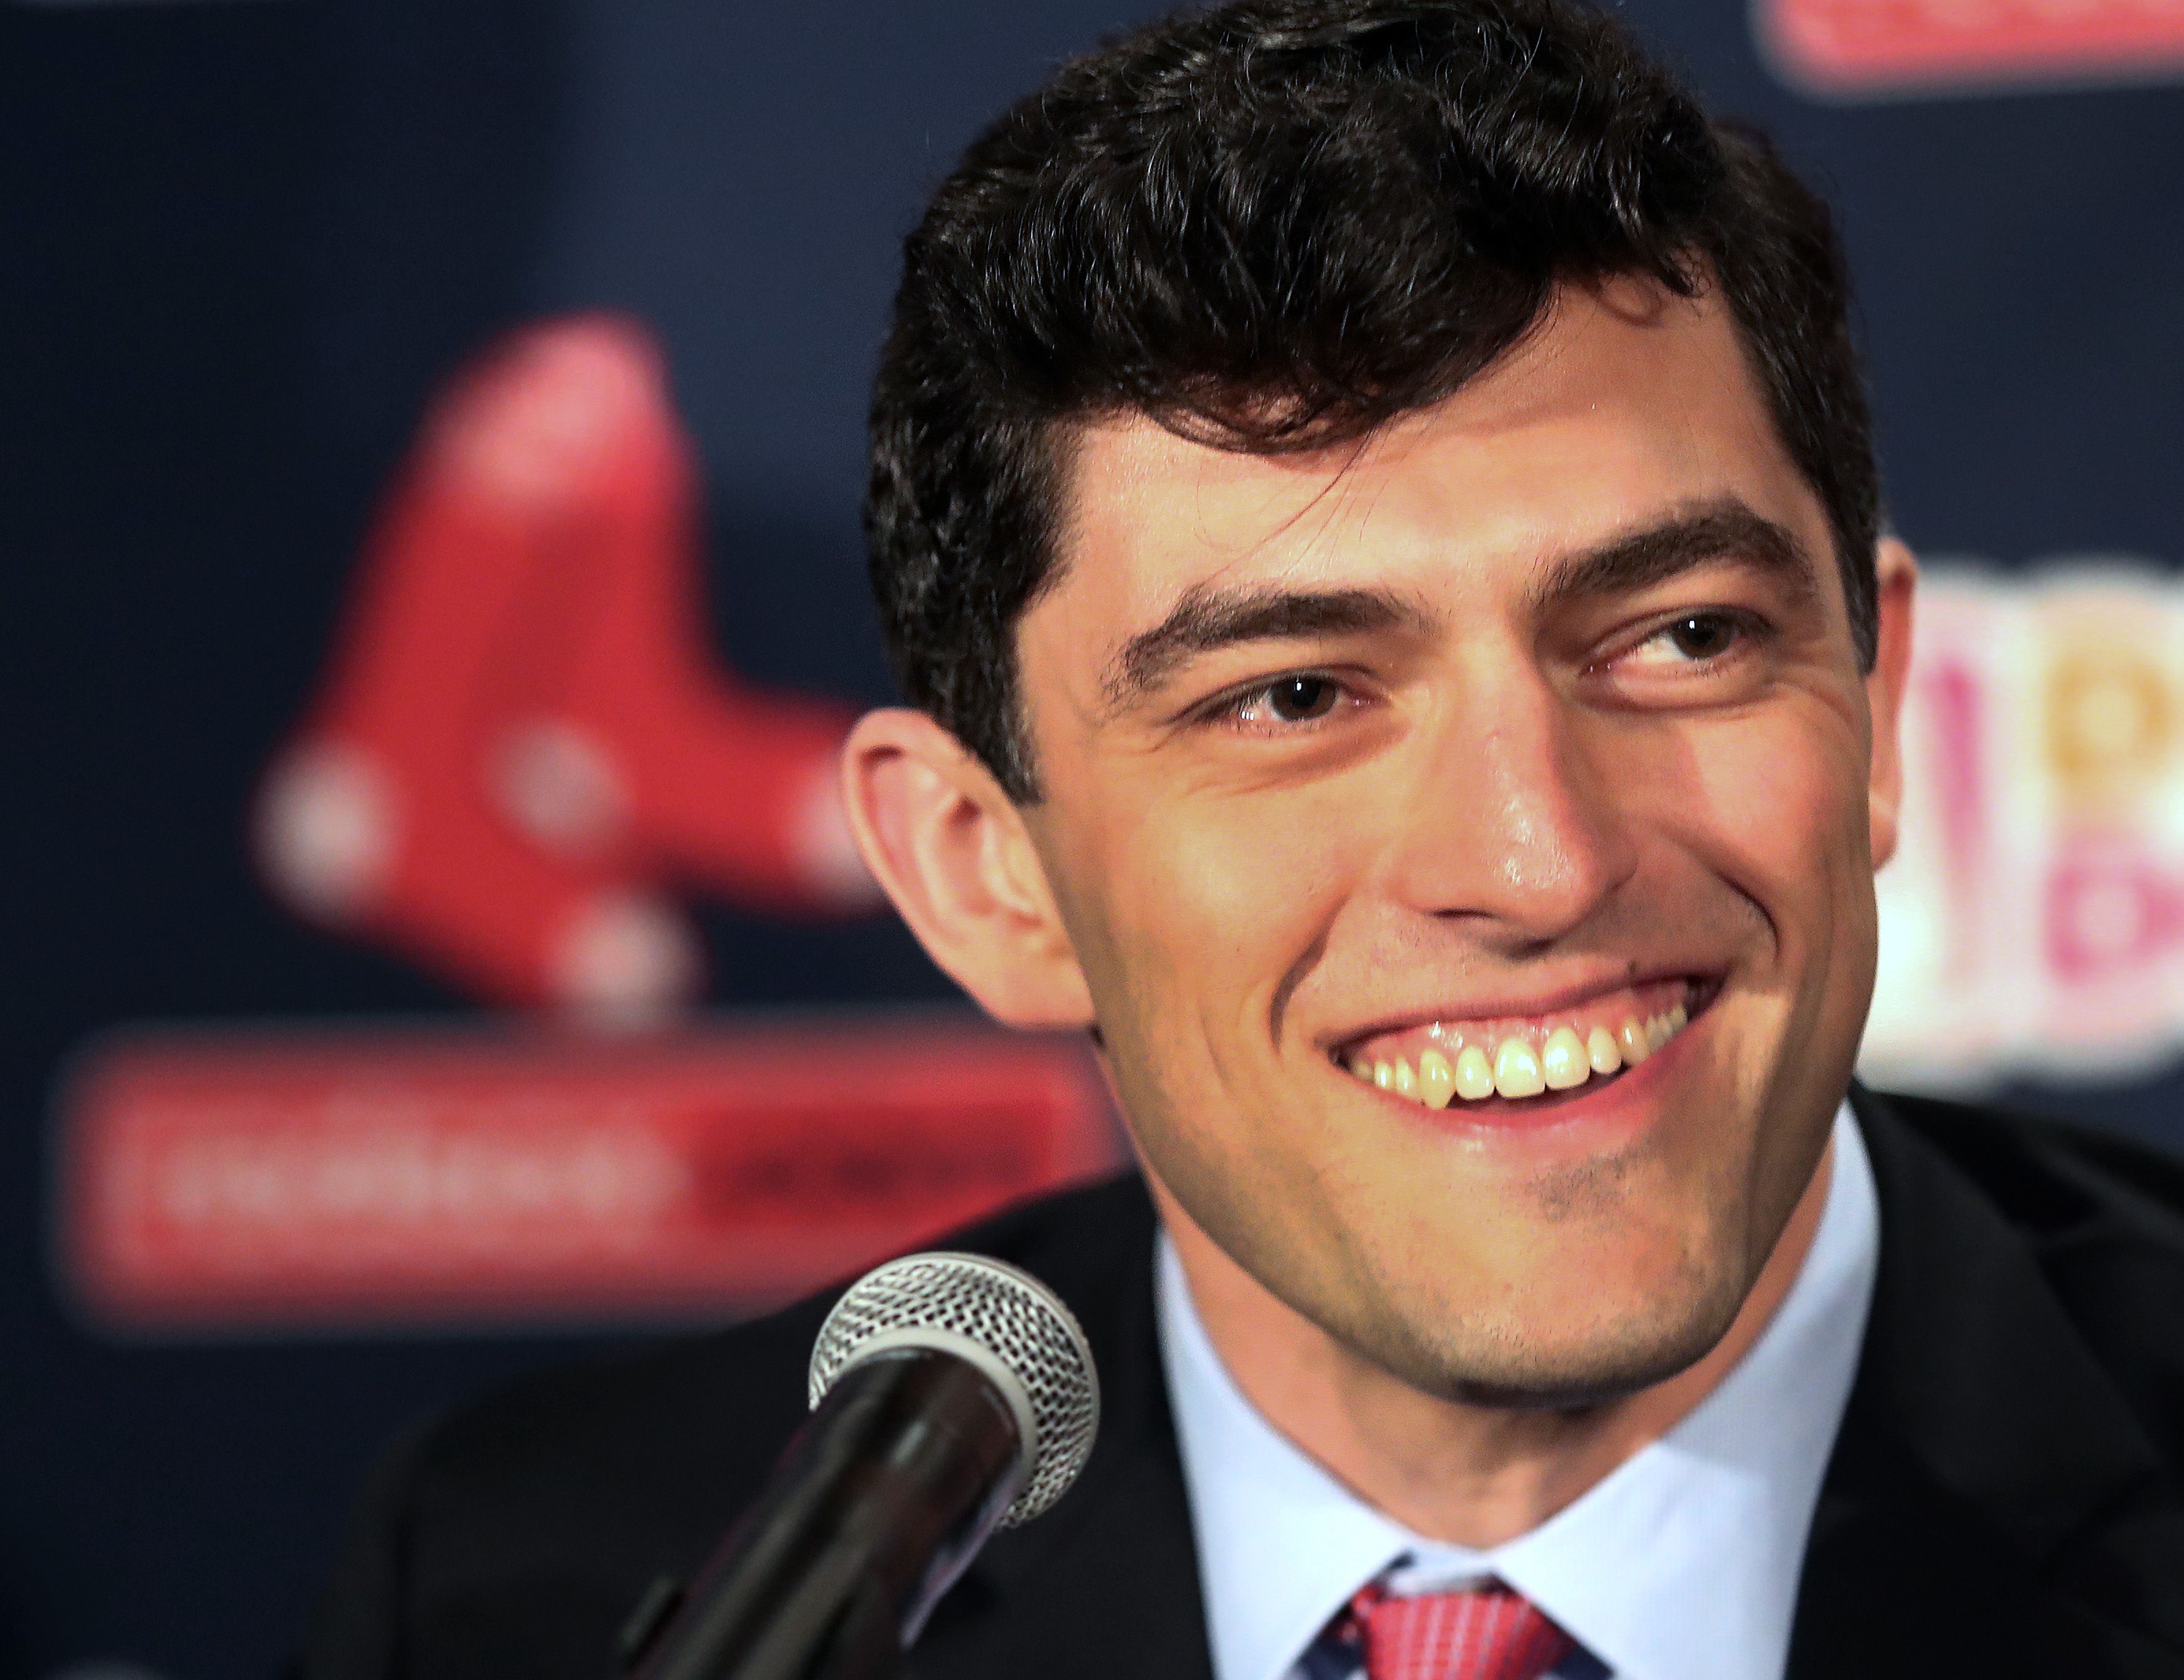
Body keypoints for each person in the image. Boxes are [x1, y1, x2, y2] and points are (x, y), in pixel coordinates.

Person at [298, 2, 2184, 1676]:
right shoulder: (544, 1592)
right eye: (1292, 697)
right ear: (983, 872)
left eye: (1679, 637)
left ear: (1871, 699)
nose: (1536, 860)